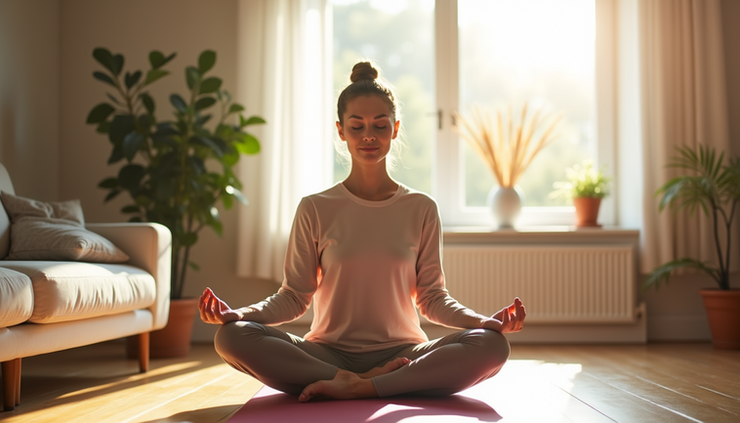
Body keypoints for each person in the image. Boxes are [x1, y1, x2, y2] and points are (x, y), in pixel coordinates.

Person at [198, 61, 526, 403]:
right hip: (326, 355)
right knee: (231, 337)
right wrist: (240, 314)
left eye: (379, 125)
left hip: (403, 355)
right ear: (341, 131)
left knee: (492, 345)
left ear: (395, 129)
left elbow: (431, 299)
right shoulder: (315, 207)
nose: (368, 135)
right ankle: (352, 380)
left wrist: (484, 321)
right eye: (357, 126)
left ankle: (362, 386)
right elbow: (294, 296)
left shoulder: (422, 208)